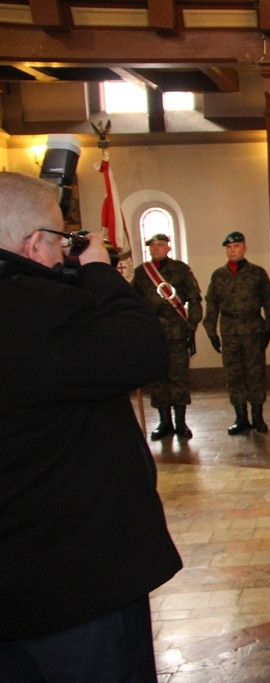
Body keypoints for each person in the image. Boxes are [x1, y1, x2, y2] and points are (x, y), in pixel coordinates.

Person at [0, 172, 181, 679]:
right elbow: (145, 349)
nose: (64, 253)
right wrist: (101, 273)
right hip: (70, 583)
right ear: (35, 243)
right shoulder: (46, 311)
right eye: (60, 240)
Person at [132, 231, 203, 440]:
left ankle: (181, 423)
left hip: (177, 332)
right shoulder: (142, 272)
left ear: (168, 247)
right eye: (152, 246)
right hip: (153, 334)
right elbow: (132, 301)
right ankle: (164, 423)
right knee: (159, 378)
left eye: (160, 244)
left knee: (178, 377)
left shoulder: (181, 270)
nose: (156, 248)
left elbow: (195, 299)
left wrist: (191, 327)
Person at [203, 231, 270, 435]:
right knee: (233, 374)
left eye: (236, 246)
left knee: (255, 373)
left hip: (252, 329)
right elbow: (211, 303)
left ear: (244, 248)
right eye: (228, 247)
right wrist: (211, 331)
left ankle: (258, 417)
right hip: (229, 330)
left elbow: (268, 302)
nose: (232, 250)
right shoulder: (219, 275)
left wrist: (269, 328)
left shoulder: (257, 273)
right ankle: (240, 417)